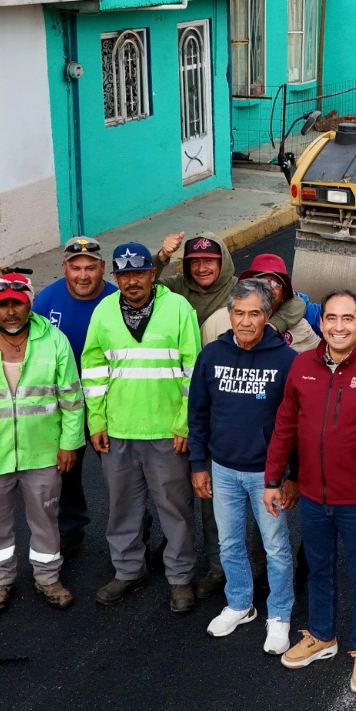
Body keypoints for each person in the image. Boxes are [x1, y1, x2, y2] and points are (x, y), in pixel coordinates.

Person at [265, 290, 356, 696]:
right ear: (321, 322)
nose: (339, 326)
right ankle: (322, 635)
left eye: (348, 319)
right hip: (313, 497)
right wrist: (273, 479)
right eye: (331, 318)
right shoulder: (301, 367)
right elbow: (285, 425)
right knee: (319, 569)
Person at [0, 271, 84, 612]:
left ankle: (48, 579)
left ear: (29, 304)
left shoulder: (54, 340)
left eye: (17, 304)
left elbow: (72, 398)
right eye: (3, 304)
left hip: (43, 452)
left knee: (46, 520)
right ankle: (0, 582)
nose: (10, 311)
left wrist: (69, 443)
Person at [81, 242, 202, 613]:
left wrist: (184, 424)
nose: (131, 281)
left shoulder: (178, 309)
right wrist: (96, 420)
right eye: (124, 274)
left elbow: (193, 372)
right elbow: (93, 370)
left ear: (152, 273)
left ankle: (180, 578)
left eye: (138, 273)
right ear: (115, 277)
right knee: (122, 508)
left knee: (175, 510)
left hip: (167, 433)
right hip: (118, 431)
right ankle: (128, 570)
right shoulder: (103, 312)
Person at [189, 279, 299, 655]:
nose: (246, 321)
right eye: (239, 313)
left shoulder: (287, 361)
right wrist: (198, 464)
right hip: (222, 470)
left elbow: (296, 424)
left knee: (275, 547)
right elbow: (198, 413)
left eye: (254, 313)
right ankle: (240, 604)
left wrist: (294, 476)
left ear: (267, 315)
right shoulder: (211, 355)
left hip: (268, 476)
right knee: (230, 543)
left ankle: (280, 614)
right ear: (230, 314)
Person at [155, 231, 235, 598]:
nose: (202, 268)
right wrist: (160, 258)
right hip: (176, 404)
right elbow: (139, 288)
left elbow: (278, 308)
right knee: (172, 489)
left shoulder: (237, 290)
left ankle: (219, 565)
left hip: (219, 408)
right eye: (195, 262)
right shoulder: (174, 288)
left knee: (213, 495)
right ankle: (176, 549)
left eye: (210, 261)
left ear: (223, 262)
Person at [31, 236, 117, 555]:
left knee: (120, 472)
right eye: (76, 268)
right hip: (64, 405)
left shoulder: (116, 300)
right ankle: (70, 530)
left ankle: (136, 528)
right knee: (64, 471)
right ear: (64, 268)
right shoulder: (46, 300)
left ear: (102, 268)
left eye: (90, 268)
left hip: (107, 403)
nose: (83, 275)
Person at [201, 253, 319, 353]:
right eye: (261, 281)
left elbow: (320, 357)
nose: (268, 287)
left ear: (284, 294)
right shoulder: (216, 321)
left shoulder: (300, 327)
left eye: (276, 283)